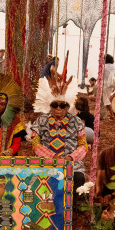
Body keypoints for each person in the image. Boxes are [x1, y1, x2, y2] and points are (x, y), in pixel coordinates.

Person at [31, 61, 88, 194]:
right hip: (46, 162)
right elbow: (35, 144)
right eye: (54, 105)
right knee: (35, 179)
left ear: (67, 107)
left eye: (62, 105)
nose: (58, 108)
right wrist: (53, 156)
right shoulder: (41, 120)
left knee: (78, 177)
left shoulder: (76, 121)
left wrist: (71, 158)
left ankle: (69, 206)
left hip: (72, 165)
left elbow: (83, 145)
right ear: (50, 106)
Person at [102, 54, 115, 120]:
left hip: (105, 84)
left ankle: (112, 114)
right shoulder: (114, 67)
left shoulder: (104, 66)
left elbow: (101, 76)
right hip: (111, 85)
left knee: (106, 100)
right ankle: (108, 114)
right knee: (107, 99)